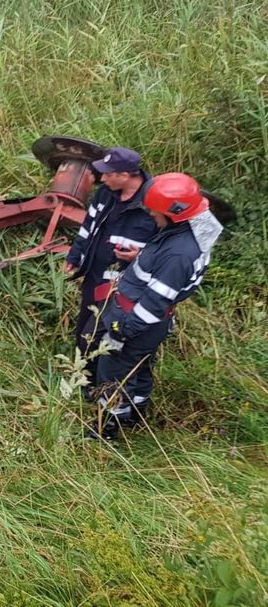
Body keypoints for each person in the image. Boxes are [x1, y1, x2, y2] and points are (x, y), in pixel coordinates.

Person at [86, 172, 223, 440]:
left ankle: (107, 429)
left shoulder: (178, 253)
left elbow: (155, 302)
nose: (150, 213)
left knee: (114, 372)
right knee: (139, 368)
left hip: (136, 323)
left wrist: (121, 330)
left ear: (174, 213)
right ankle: (134, 414)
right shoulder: (185, 231)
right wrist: (143, 258)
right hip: (146, 325)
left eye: (154, 210)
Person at [64, 146, 159, 391]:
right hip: (95, 275)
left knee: (100, 335)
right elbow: (89, 226)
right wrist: (75, 255)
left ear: (126, 175)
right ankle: (84, 379)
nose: (102, 178)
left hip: (125, 285)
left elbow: (165, 247)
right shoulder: (105, 193)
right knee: (84, 328)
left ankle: (98, 386)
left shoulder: (154, 202)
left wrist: (140, 256)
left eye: (108, 174)